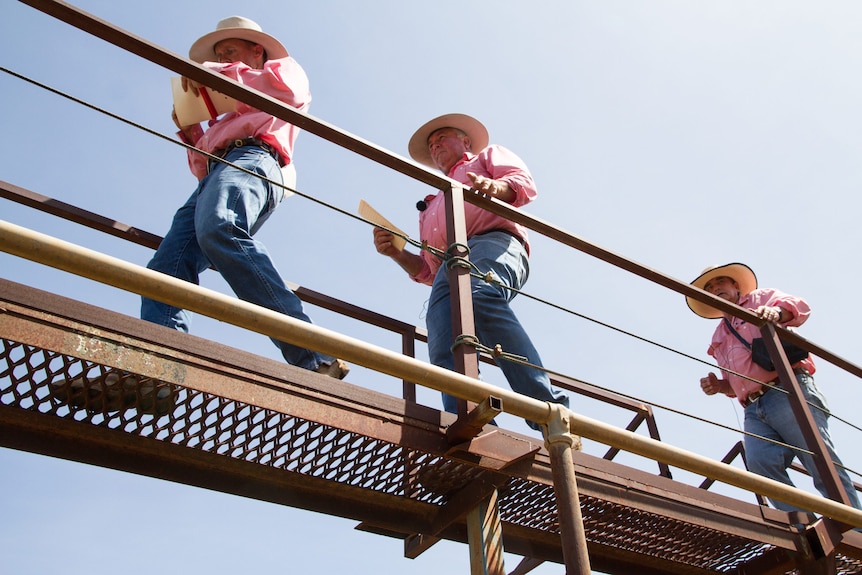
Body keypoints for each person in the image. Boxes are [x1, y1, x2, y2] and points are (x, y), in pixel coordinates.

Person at [372, 113, 569, 430]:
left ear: (465, 141)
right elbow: (427, 269)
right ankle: (468, 422)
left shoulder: (487, 158)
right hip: (447, 265)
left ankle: (548, 411)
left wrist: (496, 187)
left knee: (478, 295)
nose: (436, 147)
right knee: (441, 338)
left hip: (494, 241)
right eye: (431, 145)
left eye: (442, 138)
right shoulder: (432, 202)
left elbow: (522, 184)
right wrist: (396, 252)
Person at [688, 262, 860, 513]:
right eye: (710, 287)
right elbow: (736, 383)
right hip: (753, 408)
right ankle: (805, 525)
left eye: (720, 283)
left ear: (735, 286)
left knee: (820, 463)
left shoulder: (760, 299)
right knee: (760, 465)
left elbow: (801, 308)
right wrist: (719, 386)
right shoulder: (718, 336)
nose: (716, 289)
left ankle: (855, 532)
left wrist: (776, 313)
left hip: (787, 389)